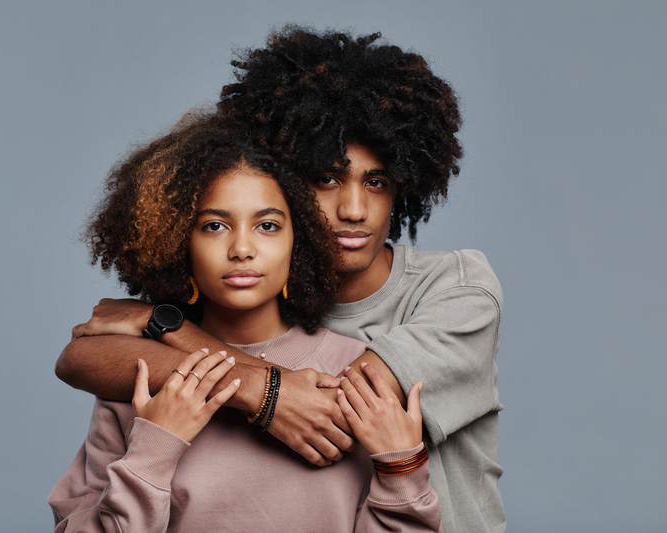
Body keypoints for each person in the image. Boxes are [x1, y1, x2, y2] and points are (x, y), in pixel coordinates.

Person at [58, 27, 505, 532]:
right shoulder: (250, 299)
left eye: (376, 182)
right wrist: (255, 388)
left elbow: (334, 403)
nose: (353, 210)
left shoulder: (458, 288)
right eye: (326, 178)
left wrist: (162, 324)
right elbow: (79, 359)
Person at [49, 114, 442, 532]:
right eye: (214, 226)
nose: (241, 248)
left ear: (301, 239)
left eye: (267, 226)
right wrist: (154, 447)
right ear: (177, 240)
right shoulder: (136, 378)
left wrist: (403, 473)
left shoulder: (354, 374)